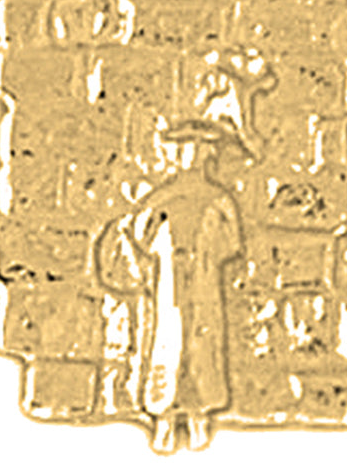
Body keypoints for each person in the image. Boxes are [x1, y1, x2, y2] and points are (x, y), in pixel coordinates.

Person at [95, 121, 243, 453]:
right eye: (189, 149)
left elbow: (231, 245)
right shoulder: (166, 199)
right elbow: (140, 235)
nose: (195, 156)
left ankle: (195, 417)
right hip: (170, 284)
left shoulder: (216, 200)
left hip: (203, 284)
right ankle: (166, 418)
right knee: (170, 341)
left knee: (201, 341)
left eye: (199, 150)